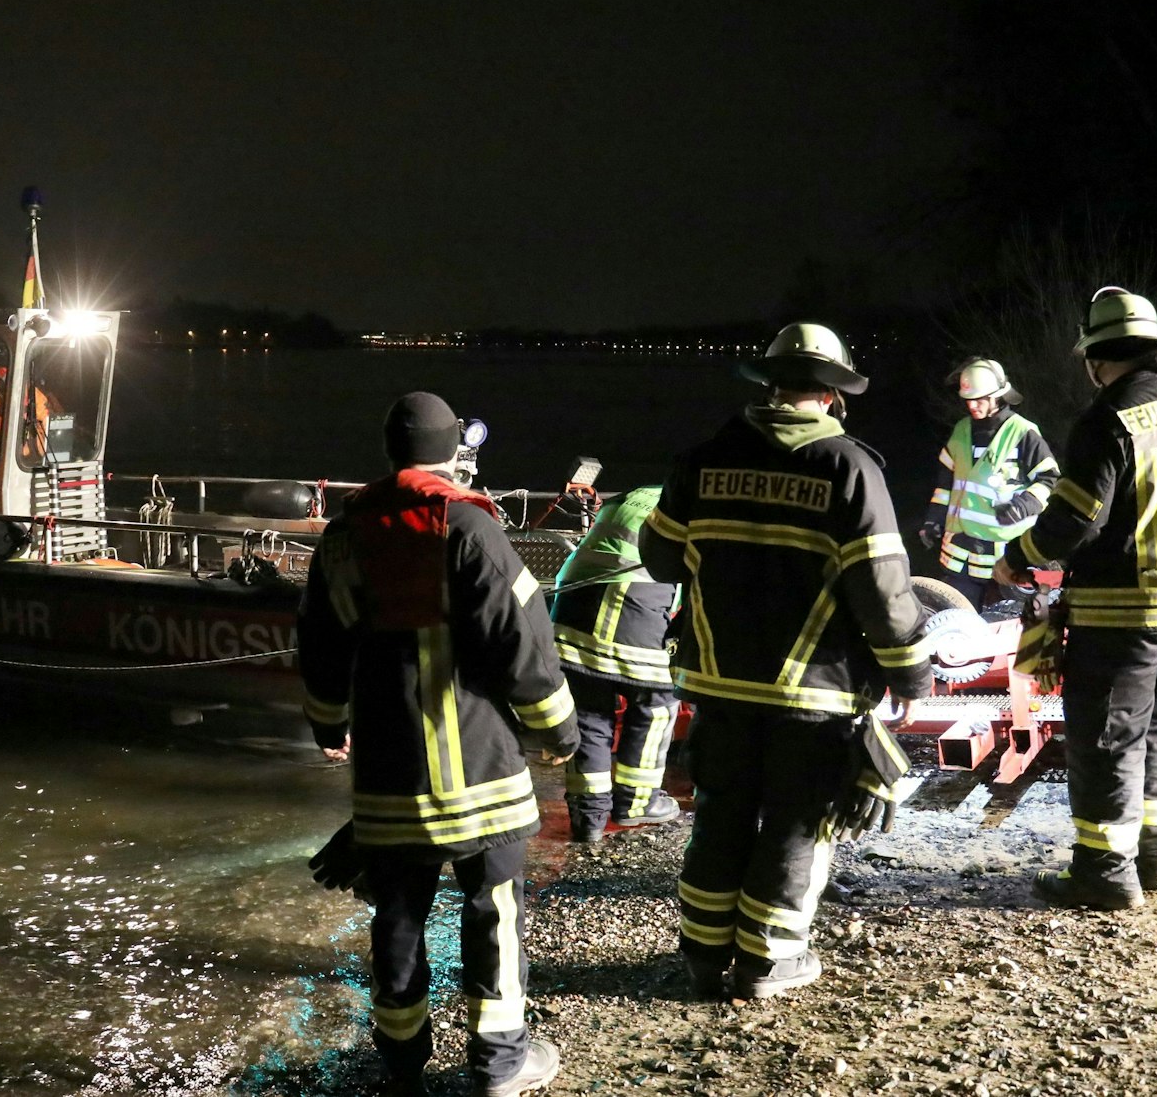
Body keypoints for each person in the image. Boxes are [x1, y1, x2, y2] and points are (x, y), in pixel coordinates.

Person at [640, 323, 931, 1000]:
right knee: (798, 819)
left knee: (722, 811)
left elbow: (658, 557)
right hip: (815, 689)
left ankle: (705, 956)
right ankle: (768, 962)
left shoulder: (702, 458)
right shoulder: (850, 468)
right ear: (832, 396)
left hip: (717, 681)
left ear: (768, 384)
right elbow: (884, 592)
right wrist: (910, 672)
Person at [298, 391, 578, 1097]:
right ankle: (499, 1064)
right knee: (495, 916)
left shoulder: (343, 535)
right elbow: (525, 646)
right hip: (483, 776)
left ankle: (399, 1064)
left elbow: (321, 647)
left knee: (396, 919)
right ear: (454, 452)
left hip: (390, 783)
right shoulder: (471, 529)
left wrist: (329, 725)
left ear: (390, 453)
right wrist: (559, 732)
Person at [994, 288, 1157, 910]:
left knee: (1107, 736)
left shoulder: (1107, 418)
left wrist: (1017, 558)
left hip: (1128, 612)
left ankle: (1104, 873)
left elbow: (1074, 521)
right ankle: (1153, 857)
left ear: (1094, 359)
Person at [549, 484, 683, 843]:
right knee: (656, 702)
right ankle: (636, 805)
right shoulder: (690, 501)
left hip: (573, 601)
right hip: (631, 602)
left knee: (589, 713)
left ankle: (588, 818)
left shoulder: (632, 494)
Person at [918, 358, 1061, 610]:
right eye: (968, 399)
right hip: (960, 551)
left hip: (1006, 555)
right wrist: (934, 519)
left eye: (980, 399)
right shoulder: (961, 431)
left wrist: (1024, 505)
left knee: (1010, 624)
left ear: (999, 396)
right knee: (958, 622)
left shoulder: (1022, 433)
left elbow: (1049, 478)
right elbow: (946, 484)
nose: (972, 405)